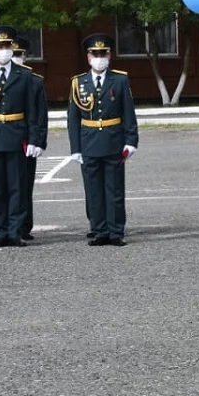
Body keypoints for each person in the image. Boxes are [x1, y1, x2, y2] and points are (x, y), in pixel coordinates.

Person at [0, 26, 47, 248]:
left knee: (17, 187)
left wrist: (35, 140)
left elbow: (33, 111)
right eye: (0, 46)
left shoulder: (24, 75)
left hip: (16, 135)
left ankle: (15, 231)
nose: (5, 50)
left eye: (8, 46)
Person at [67, 34, 139, 246]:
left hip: (113, 141)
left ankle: (116, 231)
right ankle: (99, 231)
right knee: (94, 190)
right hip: (89, 142)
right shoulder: (78, 82)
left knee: (114, 189)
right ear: (88, 57)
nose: (99, 58)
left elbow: (128, 113)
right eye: (95, 54)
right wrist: (75, 148)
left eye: (103, 53)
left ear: (109, 55)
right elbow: (73, 118)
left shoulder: (120, 80)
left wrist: (131, 140)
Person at [12, 36, 47, 241]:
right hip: (6, 136)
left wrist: (39, 140)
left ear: (25, 56)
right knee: (7, 185)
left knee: (24, 184)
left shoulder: (34, 80)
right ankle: (9, 224)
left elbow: (40, 114)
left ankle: (24, 225)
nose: (16, 58)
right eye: (13, 54)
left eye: (19, 54)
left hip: (27, 137)